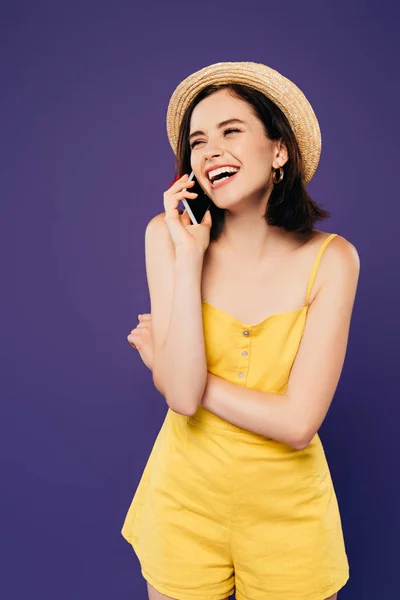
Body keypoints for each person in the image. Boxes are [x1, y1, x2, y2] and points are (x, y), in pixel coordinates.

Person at [121, 61, 360, 600]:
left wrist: (169, 362)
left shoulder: (333, 259)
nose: (210, 152)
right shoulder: (168, 236)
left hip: (290, 519)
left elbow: (298, 424)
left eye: (232, 131)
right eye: (198, 141)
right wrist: (189, 257)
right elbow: (181, 400)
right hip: (183, 506)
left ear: (280, 150)